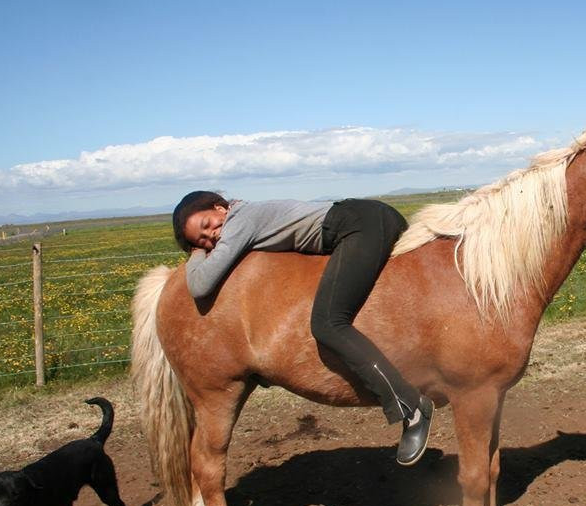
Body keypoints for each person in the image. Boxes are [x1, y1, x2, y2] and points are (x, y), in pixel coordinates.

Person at [171, 191, 434, 466]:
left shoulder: (239, 221)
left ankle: (410, 406)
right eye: (201, 240)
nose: (211, 236)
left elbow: (200, 284)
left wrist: (197, 253)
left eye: (207, 225)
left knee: (328, 323)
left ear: (219, 208)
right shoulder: (245, 217)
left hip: (359, 225)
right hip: (365, 220)